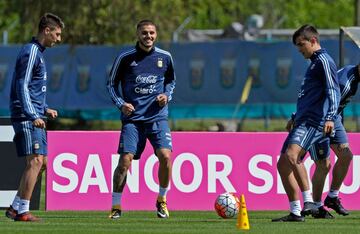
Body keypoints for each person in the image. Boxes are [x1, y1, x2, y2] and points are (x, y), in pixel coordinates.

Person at [107, 19, 176, 219]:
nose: (149, 37)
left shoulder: (165, 57)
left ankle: (162, 201)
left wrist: (166, 95)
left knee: (165, 156)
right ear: (138, 34)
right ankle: (116, 206)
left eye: (152, 33)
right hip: (133, 120)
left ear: (156, 34)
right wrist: (121, 103)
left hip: (157, 118)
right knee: (125, 161)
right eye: (144, 33)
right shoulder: (125, 58)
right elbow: (111, 84)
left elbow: (171, 81)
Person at [272, 24, 340, 222]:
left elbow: (333, 91)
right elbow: (310, 96)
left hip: (313, 121)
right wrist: (294, 117)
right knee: (283, 165)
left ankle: (308, 201)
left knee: (293, 156)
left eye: (301, 45)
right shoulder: (314, 64)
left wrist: (330, 117)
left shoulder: (324, 61)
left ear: (313, 41)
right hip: (302, 120)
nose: (300, 50)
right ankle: (295, 212)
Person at [5, 13, 64, 222]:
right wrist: (32, 114)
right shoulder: (31, 52)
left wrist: (45, 108)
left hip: (36, 113)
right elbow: (21, 86)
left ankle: (14, 207)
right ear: (46, 31)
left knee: (43, 162)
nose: (58, 39)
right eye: (56, 34)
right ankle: (22, 212)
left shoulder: (38, 53)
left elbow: (32, 87)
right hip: (27, 116)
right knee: (36, 161)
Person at [306, 64, 359, 218]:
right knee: (324, 164)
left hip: (334, 118)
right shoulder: (345, 83)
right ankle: (316, 206)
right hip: (318, 117)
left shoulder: (353, 74)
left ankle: (332, 197)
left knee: (346, 156)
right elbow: (325, 102)